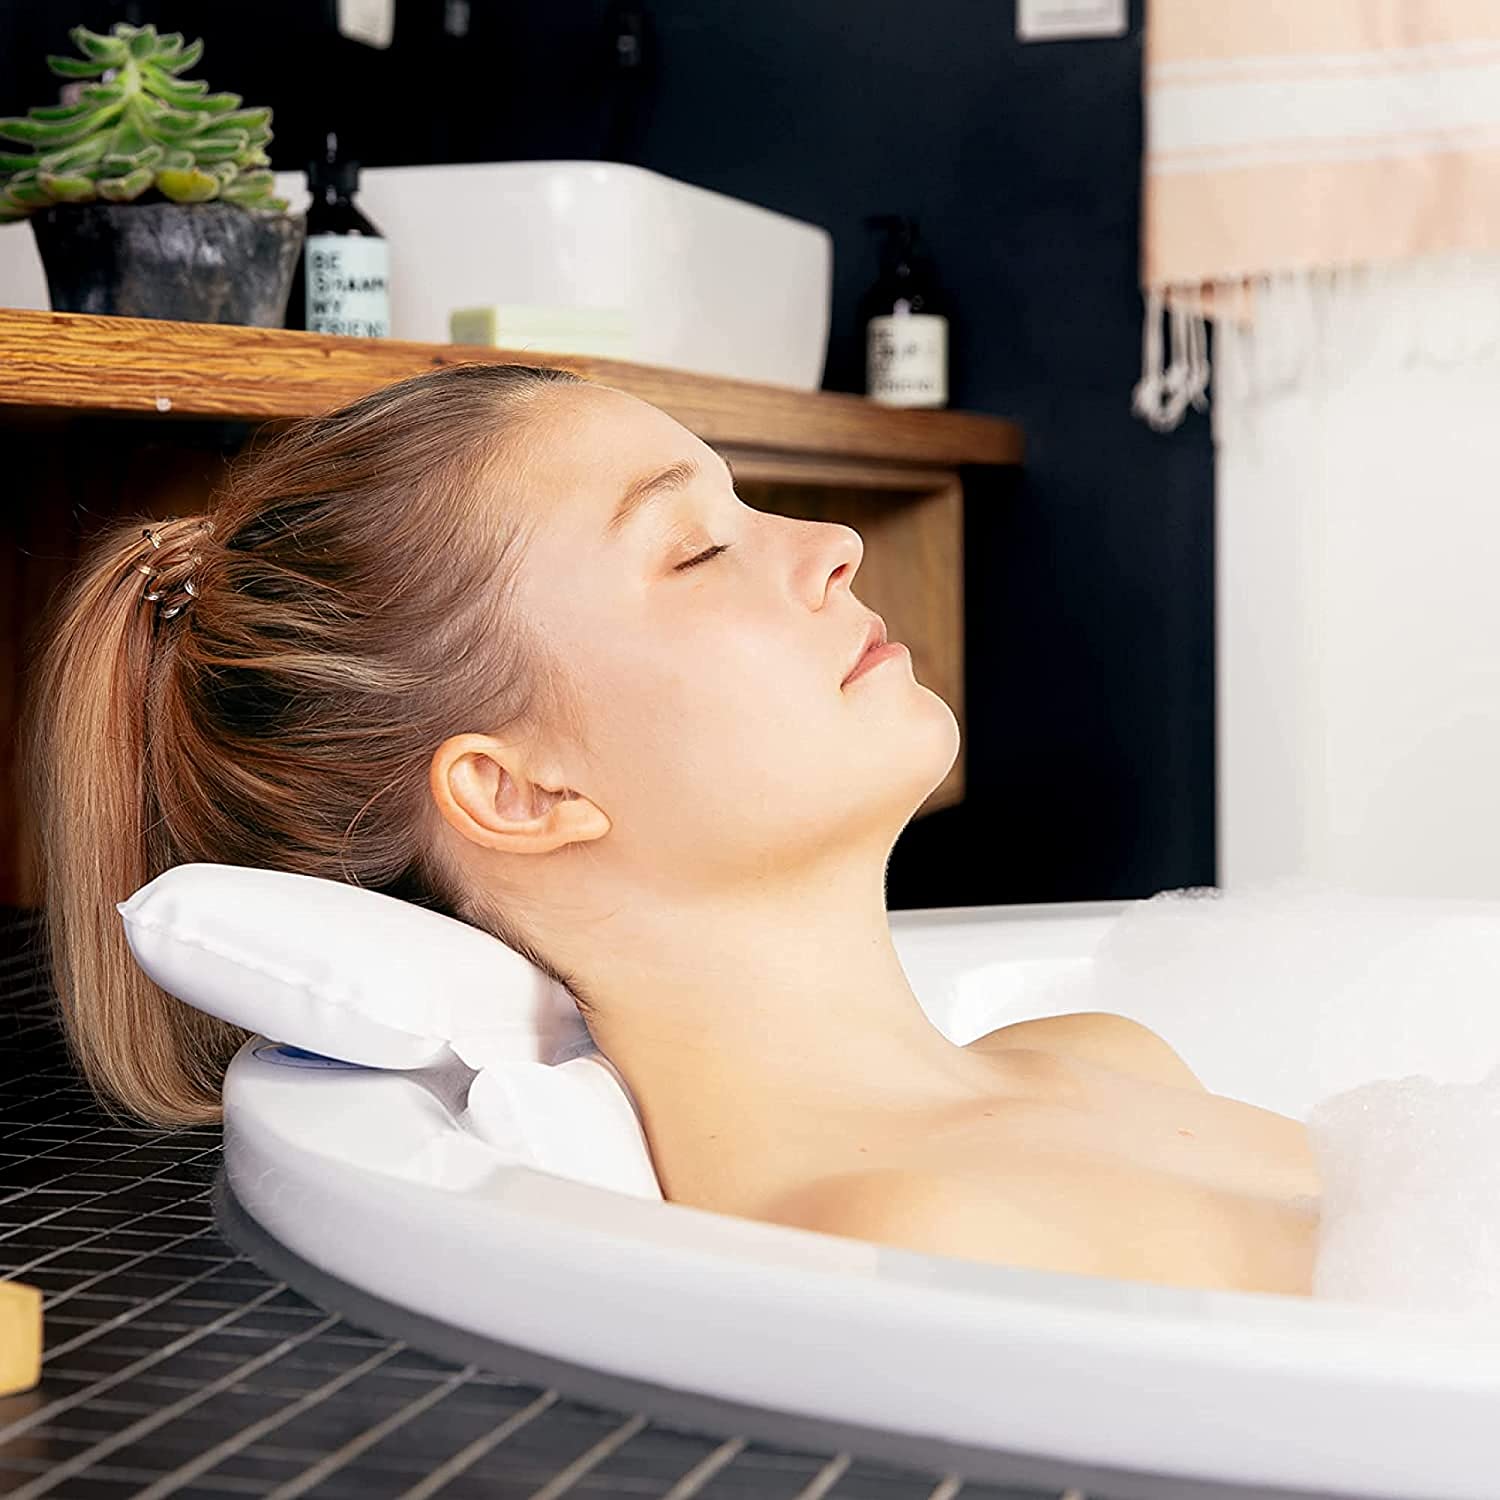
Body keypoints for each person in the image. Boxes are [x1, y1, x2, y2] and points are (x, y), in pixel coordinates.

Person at [21, 362, 1322, 1298]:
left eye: (745, 505)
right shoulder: (915, 1244)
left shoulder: (1102, 1053)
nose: (835, 542)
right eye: (695, 551)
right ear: (522, 794)